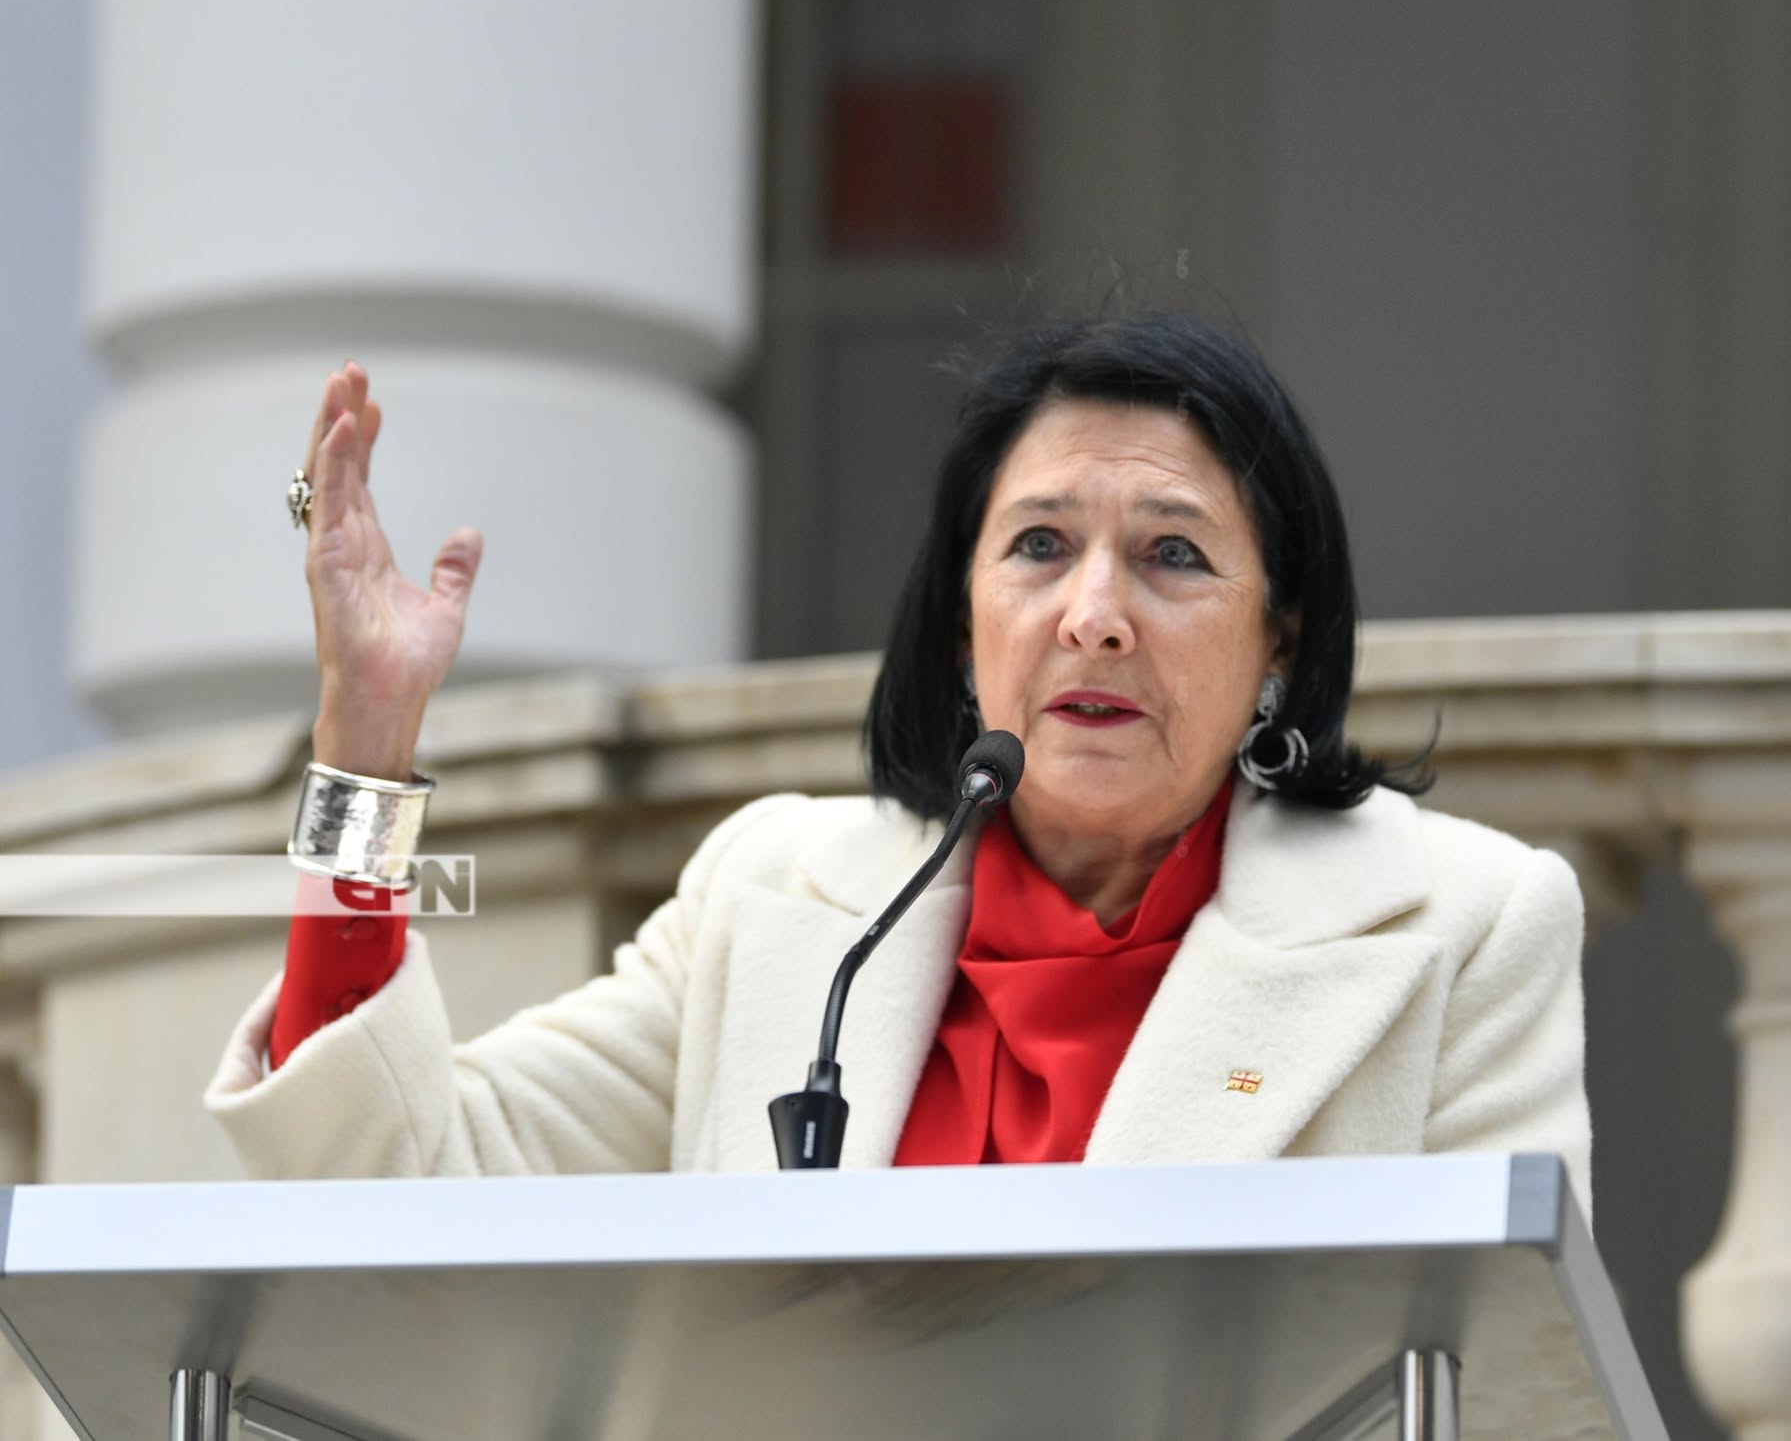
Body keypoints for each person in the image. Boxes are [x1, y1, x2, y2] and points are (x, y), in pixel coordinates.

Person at [205, 314, 1592, 1211]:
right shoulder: (772, 901)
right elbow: (395, 1174)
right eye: (1039, 545)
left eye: (1173, 554)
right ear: (963, 622)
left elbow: (1507, 1389)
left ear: (1278, 640)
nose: (1094, 614)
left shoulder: (1461, 928)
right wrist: (366, 747)